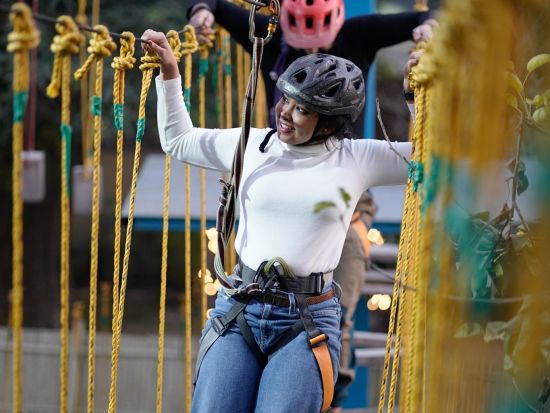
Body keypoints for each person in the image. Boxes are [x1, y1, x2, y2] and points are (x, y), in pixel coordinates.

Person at [144, 26, 412, 412]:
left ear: (329, 123)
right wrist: (169, 72)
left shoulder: (355, 158)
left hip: (308, 320)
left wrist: (413, 97)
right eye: (286, 99)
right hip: (240, 307)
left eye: (302, 108)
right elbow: (178, 141)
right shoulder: (253, 144)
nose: (284, 113)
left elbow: (425, 160)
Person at [187, 0, 435, 136]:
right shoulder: (268, 36)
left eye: (321, 46)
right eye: (303, 48)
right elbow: (216, 5)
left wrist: (428, 27)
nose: (313, 54)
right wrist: (201, 12)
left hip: (345, 161)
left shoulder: (358, 35)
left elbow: (423, 16)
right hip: (284, 158)